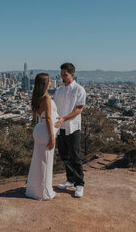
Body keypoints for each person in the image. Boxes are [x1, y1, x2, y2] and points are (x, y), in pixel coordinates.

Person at [54, 63, 86, 198]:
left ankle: (80, 184)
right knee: (64, 155)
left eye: (65, 74)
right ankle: (70, 179)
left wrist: (64, 118)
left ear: (72, 74)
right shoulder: (59, 90)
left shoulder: (79, 90)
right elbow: (54, 108)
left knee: (75, 156)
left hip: (73, 127)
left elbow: (79, 109)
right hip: (60, 127)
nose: (62, 77)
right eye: (61, 74)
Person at [25, 73, 59, 200]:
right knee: (46, 162)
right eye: (50, 80)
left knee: (37, 160)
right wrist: (52, 137)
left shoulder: (35, 97)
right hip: (45, 131)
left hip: (38, 129)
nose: (51, 82)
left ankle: (33, 189)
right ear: (46, 83)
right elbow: (49, 119)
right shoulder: (46, 98)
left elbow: (35, 117)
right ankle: (44, 192)